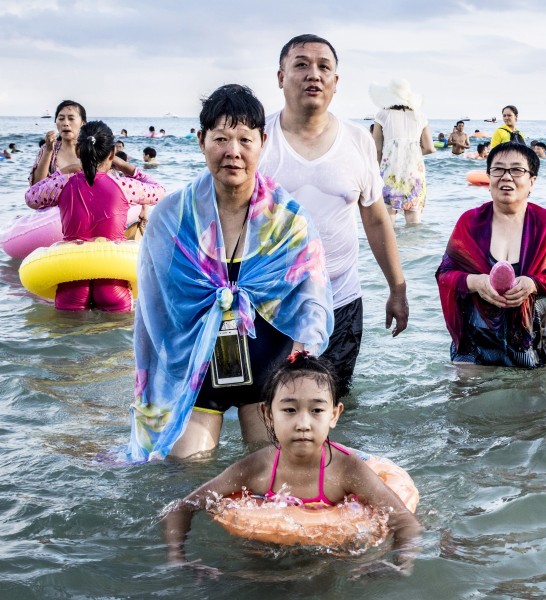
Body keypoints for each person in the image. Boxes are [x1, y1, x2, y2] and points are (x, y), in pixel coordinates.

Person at [128, 84, 333, 462]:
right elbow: (153, 309)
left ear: (263, 142)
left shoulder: (288, 220)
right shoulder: (170, 218)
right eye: (220, 138)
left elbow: (313, 302)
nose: (232, 152)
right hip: (195, 369)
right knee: (183, 475)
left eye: (244, 139)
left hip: (269, 371)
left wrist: (299, 372)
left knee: (273, 480)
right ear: (201, 140)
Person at [161, 353, 422, 574]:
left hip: (330, 560)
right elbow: (183, 506)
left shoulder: (346, 469)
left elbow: (405, 522)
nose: (303, 424)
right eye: (289, 410)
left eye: (317, 410)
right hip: (265, 555)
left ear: (334, 415)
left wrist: (398, 564)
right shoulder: (257, 467)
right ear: (267, 414)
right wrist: (178, 558)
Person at [258, 34, 409, 398]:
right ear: (280, 77)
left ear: (335, 82)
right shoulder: (257, 138)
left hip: (340, 301)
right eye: (301, 65)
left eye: (324, 67)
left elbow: (375, 219)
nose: (314, 74)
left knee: (333, 407)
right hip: (268, 306)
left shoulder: (357, 141)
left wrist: (397, 289)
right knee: (269, 410)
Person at [436, 142, 546, 368]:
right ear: (489, 178)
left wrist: (533, 283)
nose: (506, 177)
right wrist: (474, 281)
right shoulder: (470, 222)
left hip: (531, 337)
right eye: (498, 169)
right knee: (466, 398)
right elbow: (445, 273)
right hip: (475, 337)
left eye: (517, 170)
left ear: (532, 181)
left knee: (533, 399)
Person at [25, 120, 165, 311]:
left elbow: (32, 197)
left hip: (71, 276)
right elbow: (160, 191)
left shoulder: (62, 184)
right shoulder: (125, 186)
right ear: (112, 154)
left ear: (77, 152)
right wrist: (126, 167)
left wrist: (62, 172)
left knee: (68, 337)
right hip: (113, 277)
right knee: (115, 337)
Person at [369, 78, 435, 225]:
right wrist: (411, 154)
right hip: (414, 173)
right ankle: (412, 249)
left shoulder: (382, 115)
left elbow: (377, 150)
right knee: (414, 222)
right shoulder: (420, 117)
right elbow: (430, 148)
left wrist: (376, 173)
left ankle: (391, 248)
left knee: (389, 221)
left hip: (390, 172)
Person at [29, 100, 87, 185]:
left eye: (71, 118)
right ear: (56, 121)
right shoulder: (47, 149)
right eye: (61, 118)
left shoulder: (91, 149)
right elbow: (36, 187)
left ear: (82, 122)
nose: (66, 123)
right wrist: (48, 151)